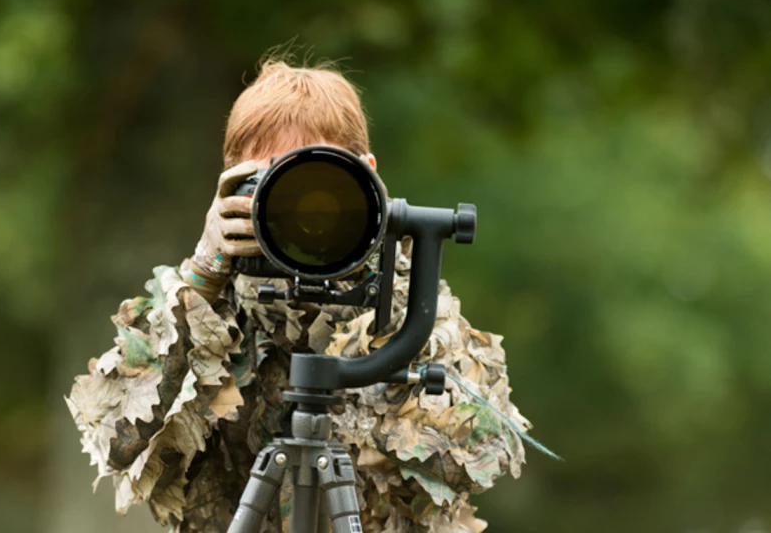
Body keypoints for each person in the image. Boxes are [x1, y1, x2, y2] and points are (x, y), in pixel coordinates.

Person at [66, 57, 531, 532]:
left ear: (368, 176)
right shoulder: (211, 304)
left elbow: (476, 458)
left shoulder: (406, 304)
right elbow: (118, 443)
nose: (304, 205)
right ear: (231, 186)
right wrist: (204, 276)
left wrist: (378, 262)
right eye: (275, 181)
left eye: (326, 181)